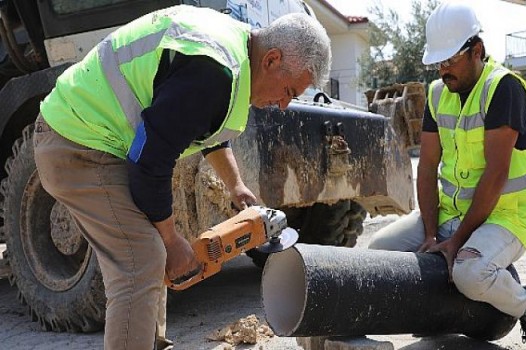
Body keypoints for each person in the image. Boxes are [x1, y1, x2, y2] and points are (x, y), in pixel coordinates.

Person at [33, 5, 331, 350]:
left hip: (93, 136)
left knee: (148, 253)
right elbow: (149, 162)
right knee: (140, 260)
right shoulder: (213, 69)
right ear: (272, 60)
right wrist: (174, 241)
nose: (283, 105)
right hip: (76, 142)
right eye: (289, 92)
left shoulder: (234, 52)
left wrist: (236, 186)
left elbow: (208, 128)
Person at [367, 2, 526, 349]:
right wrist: (430, 234)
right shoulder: (438, 94)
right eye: (438, 62)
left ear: (477, 51)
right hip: (449, 214)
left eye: (450, 61)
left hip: (505, 218)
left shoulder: (503, 88)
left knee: (469, 273)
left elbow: (496, 176)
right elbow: (426, 168)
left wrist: (455, 244)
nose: (443, 70)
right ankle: (437, 314)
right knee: (380, 252)